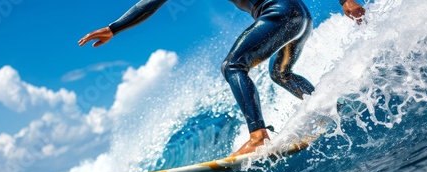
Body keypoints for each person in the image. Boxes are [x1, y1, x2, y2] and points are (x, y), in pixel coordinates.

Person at [79, 0, 365, 156]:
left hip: (280, 12)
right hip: (300, 16)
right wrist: (114, 28)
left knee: (233, 66)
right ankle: (331, 109)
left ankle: (258, 137)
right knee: (280, 73)